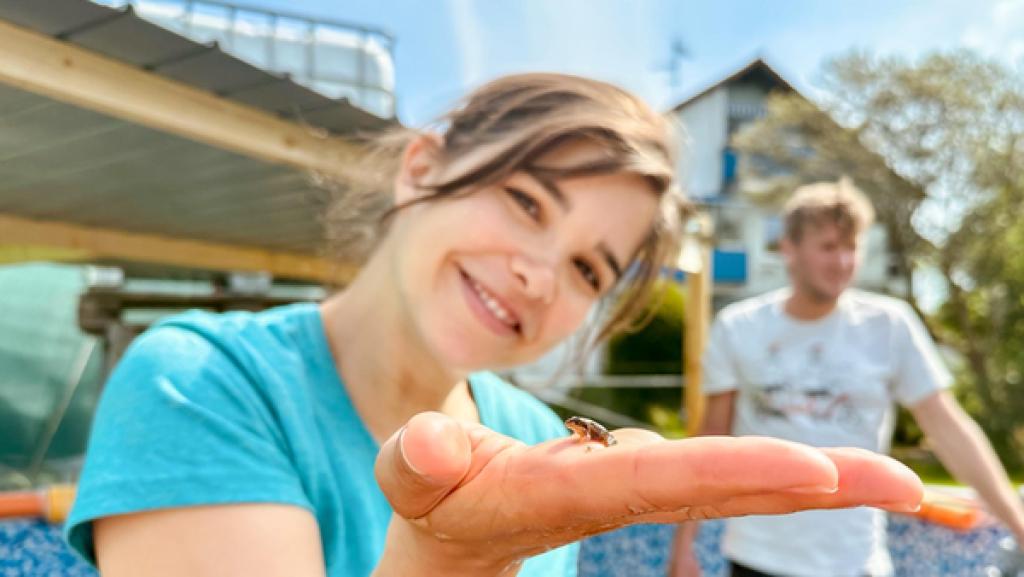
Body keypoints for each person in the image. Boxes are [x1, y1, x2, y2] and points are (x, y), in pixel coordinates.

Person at [63, 75, 923, 577]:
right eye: (523, 200)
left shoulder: (540, 441)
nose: (539, 274)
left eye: (590, 268)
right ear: (423, 167)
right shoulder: (198, 381)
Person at [669, 178, 1024, 577]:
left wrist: (1018, 525)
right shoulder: (739, 327)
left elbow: (949, 427)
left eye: (851, 247)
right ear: (788, 249)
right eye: (828, 247)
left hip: (855, 562)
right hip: (758, 557)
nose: (841, 262)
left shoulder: (889, 325)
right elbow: (711, 438)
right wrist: (683, 547)